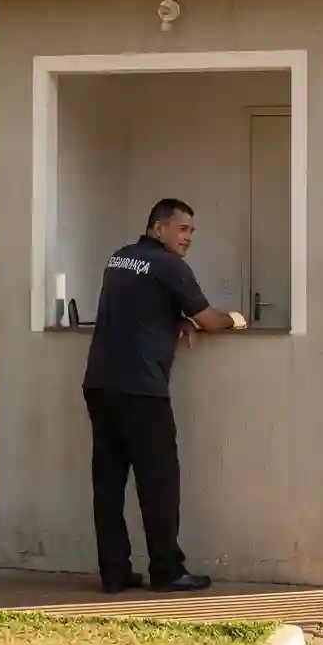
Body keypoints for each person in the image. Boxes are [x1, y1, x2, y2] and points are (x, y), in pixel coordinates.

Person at [83, 198, 247, 594]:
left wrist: (175, 319)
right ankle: (167, 570)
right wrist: (234, 320)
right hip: (142, 389)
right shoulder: (171, 267)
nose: (188, 238)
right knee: (159, 483)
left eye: (192, 231)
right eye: (182, 229)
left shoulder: (118, 259)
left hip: (100, 384)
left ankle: (115, 572)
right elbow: (209, 319)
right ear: (158, 227)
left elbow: (137, 306)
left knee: (108, 484)